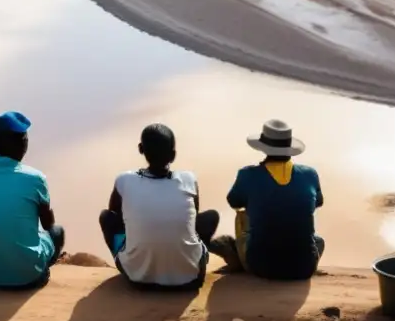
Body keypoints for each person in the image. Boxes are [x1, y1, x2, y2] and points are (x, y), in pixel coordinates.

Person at [99, 124, 219, 290]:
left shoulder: (124, 181)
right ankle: (190, 259)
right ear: (173, 155)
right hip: (191, 278)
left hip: (138, 278)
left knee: (106, 217)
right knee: (211, 216)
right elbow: (193, 218)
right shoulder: (189, 180)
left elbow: (116, 215)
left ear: (141, 149)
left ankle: (135, 260)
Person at [210, 119, 325, 280]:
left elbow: (234, 201)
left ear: (263, 147)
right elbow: (318, 202)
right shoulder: (310, 174)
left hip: (262, 267)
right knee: (318, 241)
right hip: (304, 268)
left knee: (243, 217)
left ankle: (240, 257)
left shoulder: (247, 174)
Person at [0, 111, 64, 289]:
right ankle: (39, 268)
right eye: (24, 140)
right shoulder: (35, 178)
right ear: (25, 145)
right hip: (25, 277)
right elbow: (48, 224)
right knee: (57, 232)